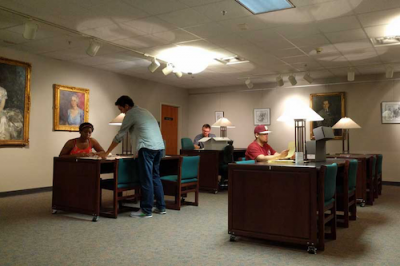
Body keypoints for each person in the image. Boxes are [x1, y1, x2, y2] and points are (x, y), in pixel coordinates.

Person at [98, 96, 165, 218]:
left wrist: (107, 152)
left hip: (147, 148)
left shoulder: (130, 114)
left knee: (146, 179)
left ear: (127, 106)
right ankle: (161, 207)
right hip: (159, 147)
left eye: (121, 109)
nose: (121, 112)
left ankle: (146, 210)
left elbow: (120, 135)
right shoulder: (145, 111)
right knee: (155, 176)